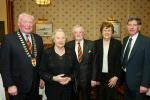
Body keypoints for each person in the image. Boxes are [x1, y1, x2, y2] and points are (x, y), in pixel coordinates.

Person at [0, 12, 44, 100]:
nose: (28, 25)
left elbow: (41, 61)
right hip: (16, 86)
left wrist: (42, 78)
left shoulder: (38, 39)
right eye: (25, 22)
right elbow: (4, 64)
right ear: (19, 23)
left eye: (30, 22)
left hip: (35, 86)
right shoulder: (9, 39)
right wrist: (9, 85)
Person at [39, 29, 79, 100]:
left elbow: (76, 70)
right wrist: (54, 78)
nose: (61, 40)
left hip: (68, 89)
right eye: (58, 38)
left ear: (65, 39)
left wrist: (69, 78)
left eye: (63, 38)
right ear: (53, 39)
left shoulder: (71, 52)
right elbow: (41, 72)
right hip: (52, 89)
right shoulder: (46, 53)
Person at [120, 16, 150, 100]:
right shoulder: (125, 39)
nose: (131, 27)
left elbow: (148, 64)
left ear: (139, 27)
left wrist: (145, 84)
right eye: (129, 25)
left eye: (134, 25)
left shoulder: (146, 41)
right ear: (127, 27)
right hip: (125, 82)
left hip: (139, 84)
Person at [92, 22, 122, 100]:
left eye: (109, 30)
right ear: (101, 32)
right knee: (99, 96)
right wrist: (94, 78)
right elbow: (93, 62)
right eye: (105, 30)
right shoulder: (95, 44)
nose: (107, 32)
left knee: (111, 96)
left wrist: (116, 76)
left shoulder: (118, 44)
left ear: (112, 32)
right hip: (99, 76)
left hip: (112, 76)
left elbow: (119, 62)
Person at [66, 25, 95, 100]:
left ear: (84, 33)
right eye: (75, 32)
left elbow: (95, 63)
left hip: (87, 79)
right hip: (72, 79)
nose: (78, 34)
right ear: (73, 34)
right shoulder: (67, 45)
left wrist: (94, 79)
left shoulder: (91, 44)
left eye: (80, 32)